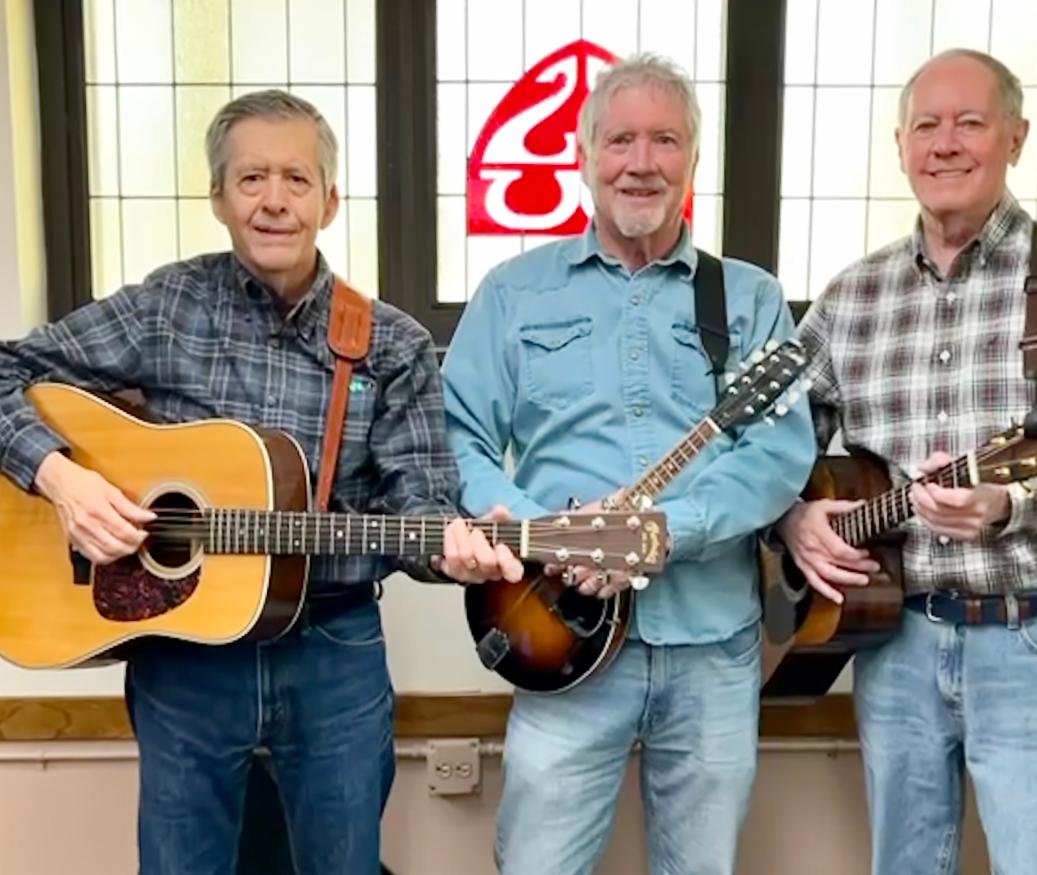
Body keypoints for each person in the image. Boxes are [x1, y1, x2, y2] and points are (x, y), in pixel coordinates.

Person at [0, 89, 511, 874]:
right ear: (218, 197)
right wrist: (63, 479)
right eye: (251, 178)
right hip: (184, 658)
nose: (275, 200)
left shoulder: (390, 343)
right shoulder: (166, 307)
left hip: (332, 651)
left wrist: (455, 550)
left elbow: (420, 508)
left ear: (329, 202)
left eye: (297, 179)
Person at [776, 49, 1037, 875]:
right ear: (901, 145)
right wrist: (794, 515)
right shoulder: (853, 295)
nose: (945, 143)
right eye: (926, 125)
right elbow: (773, 444)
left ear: (1016, 137)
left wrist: (1012, 505)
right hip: (895, 641)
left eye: (970, 123)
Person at [440, 54, 817, 875]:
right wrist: (545, 534)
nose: (641, 162)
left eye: (665, 140)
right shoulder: (514, 292)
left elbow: (779, 452)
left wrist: (662, 530)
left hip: (711, 644)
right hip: (557, 636)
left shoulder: (750, 298)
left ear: (693, 159)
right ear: (583, 156)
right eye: (619, 141)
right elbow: (459, 436)